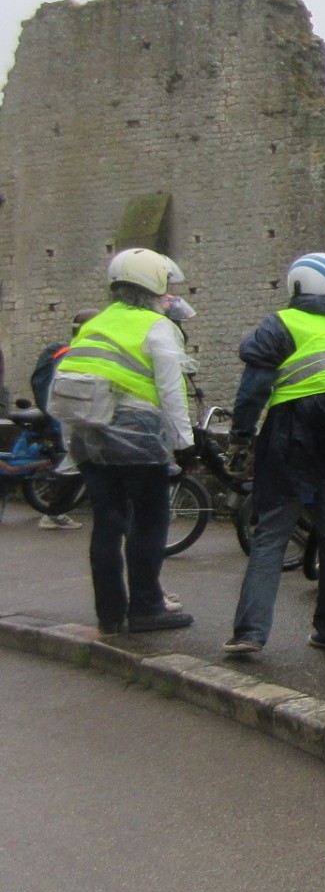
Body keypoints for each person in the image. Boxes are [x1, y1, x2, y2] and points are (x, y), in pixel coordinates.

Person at [224, 252, 325, 656]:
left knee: (271, 535)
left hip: (291, 436)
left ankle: (250, 633)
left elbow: (253, 391)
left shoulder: (282, 323)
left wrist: (241, 439)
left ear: (297, 285)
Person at [48, 252, 194, 634]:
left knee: (108, 522)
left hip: (87, 431)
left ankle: (110, 615)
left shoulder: (94, 324)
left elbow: (71, 380)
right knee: (150, 518)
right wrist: (184, 443)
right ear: (155, 284)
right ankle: (146, 607)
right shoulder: (157, 326)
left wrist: (70, 444)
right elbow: (171, 389)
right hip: (137, 433)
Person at [27, 308, 100, 530]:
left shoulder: (77, 352)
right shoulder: (71, 355)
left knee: (80, 463)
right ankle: (54, 514)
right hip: (69, 420)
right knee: (76, 464)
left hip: (72, 418)